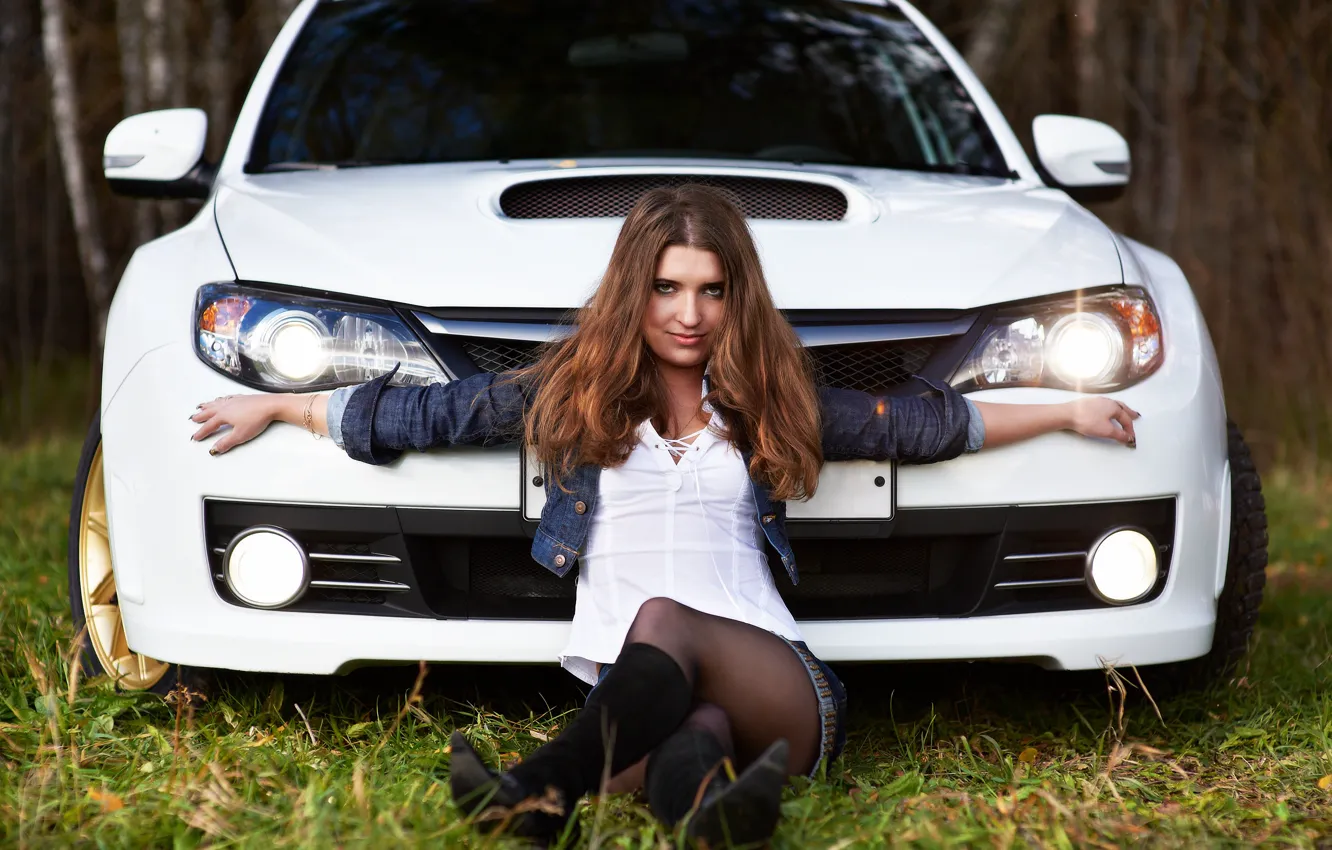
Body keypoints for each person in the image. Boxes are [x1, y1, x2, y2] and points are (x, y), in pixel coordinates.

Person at [190, 185, 1139, 845]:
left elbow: (926, 426)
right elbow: (423, 414)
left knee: (664, 623)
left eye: (712, 291)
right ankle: (721, 819)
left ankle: (534, 794)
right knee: (692, 743)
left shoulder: (769, 401)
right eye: (669, 288)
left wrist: (1065, 406)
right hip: (636, 706)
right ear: (635, 289)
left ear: (737, 297)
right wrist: (279, 405)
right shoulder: (569, 398)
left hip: (783, 690)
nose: (690, 313)